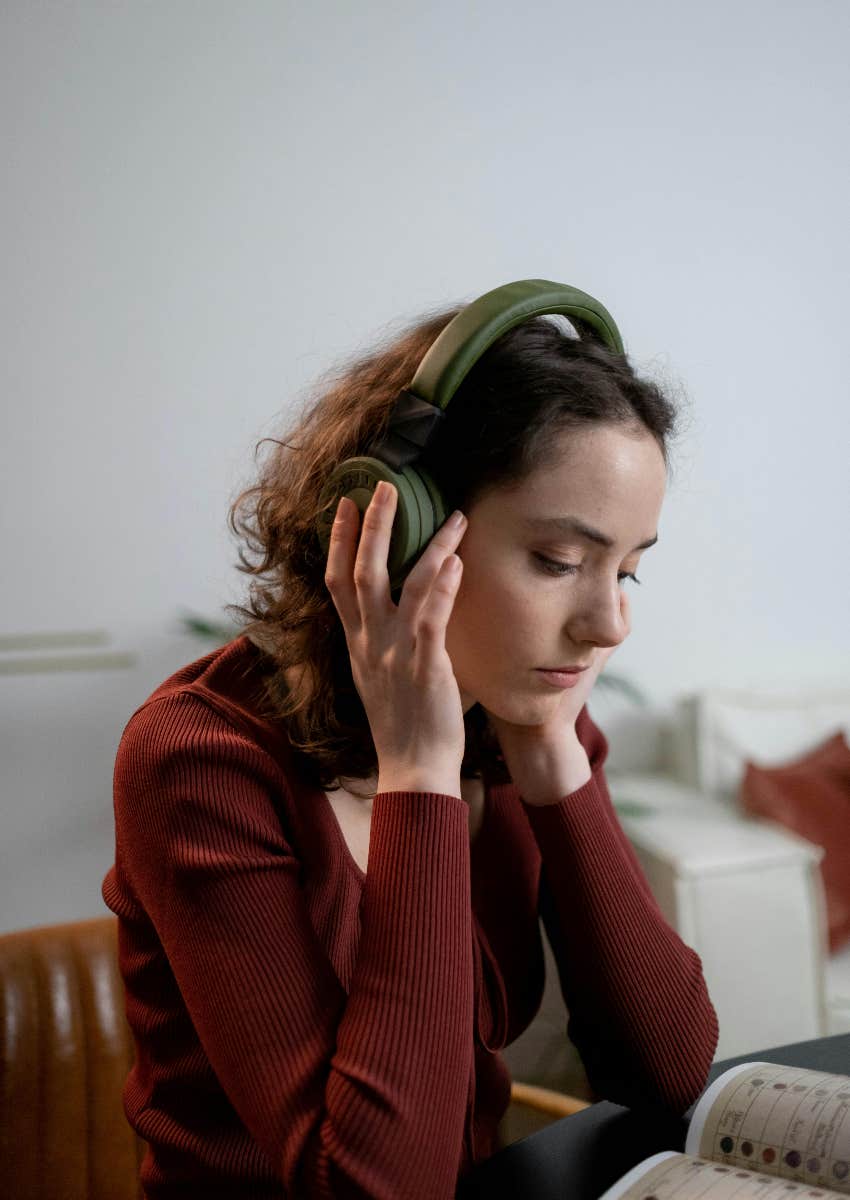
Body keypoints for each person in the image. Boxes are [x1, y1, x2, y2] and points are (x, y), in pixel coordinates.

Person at [103, 281, 719, 1200]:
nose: (608, 624)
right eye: (558, 561)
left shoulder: (517, 714)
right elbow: (378, 1185)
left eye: (627, 570)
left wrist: (552, 757)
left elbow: (667, 1073)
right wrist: (420, 775)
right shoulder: (199, 762)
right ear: (401, 531)